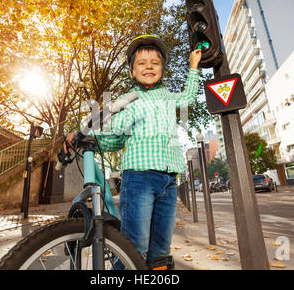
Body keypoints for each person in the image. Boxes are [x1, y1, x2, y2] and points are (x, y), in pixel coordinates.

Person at [64, 34, 202, 268]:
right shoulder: (129, 100)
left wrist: (193, 66)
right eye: (141, 63)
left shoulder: (168, 97)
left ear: (162, 70)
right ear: (132, 72)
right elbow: (115, 135)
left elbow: (189, 97)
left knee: (160, 249)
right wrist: (84, 136)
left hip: (168, 179)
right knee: (134, 246)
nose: (149, 66)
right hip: (139, 179)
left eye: (155, 63)